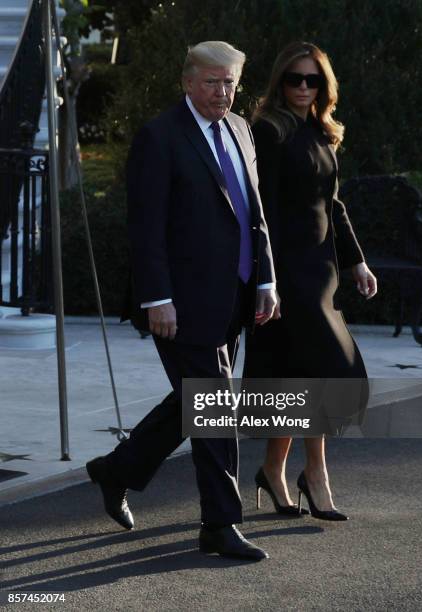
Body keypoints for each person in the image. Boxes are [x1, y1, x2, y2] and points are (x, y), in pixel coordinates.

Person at [86, 41, 277, 561]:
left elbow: (253, 212)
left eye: (231, 83)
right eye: (212, 82)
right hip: (179, 302)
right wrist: (157, 298)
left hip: (235, 294)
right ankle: (219, 524)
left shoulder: (240, 129)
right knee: (215, 405)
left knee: (195, 403)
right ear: (188, 82)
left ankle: (117, 469)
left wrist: (265, 280)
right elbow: (145, 229)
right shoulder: (160, 137)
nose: (223, 92)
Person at [243, 42, 377, 521]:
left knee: (301, 376)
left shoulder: (322, 131)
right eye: (294, 79)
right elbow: (264, 211)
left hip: (321, 273)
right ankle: (312, 476)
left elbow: (332, 204)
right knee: (319, 372)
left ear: (324, 85)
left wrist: (356, 262)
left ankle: (275, 471)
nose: (302, 87)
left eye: (312, 80)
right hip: (288, 273)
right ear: (280, 82)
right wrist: (268, 279)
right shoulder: (269, 131)